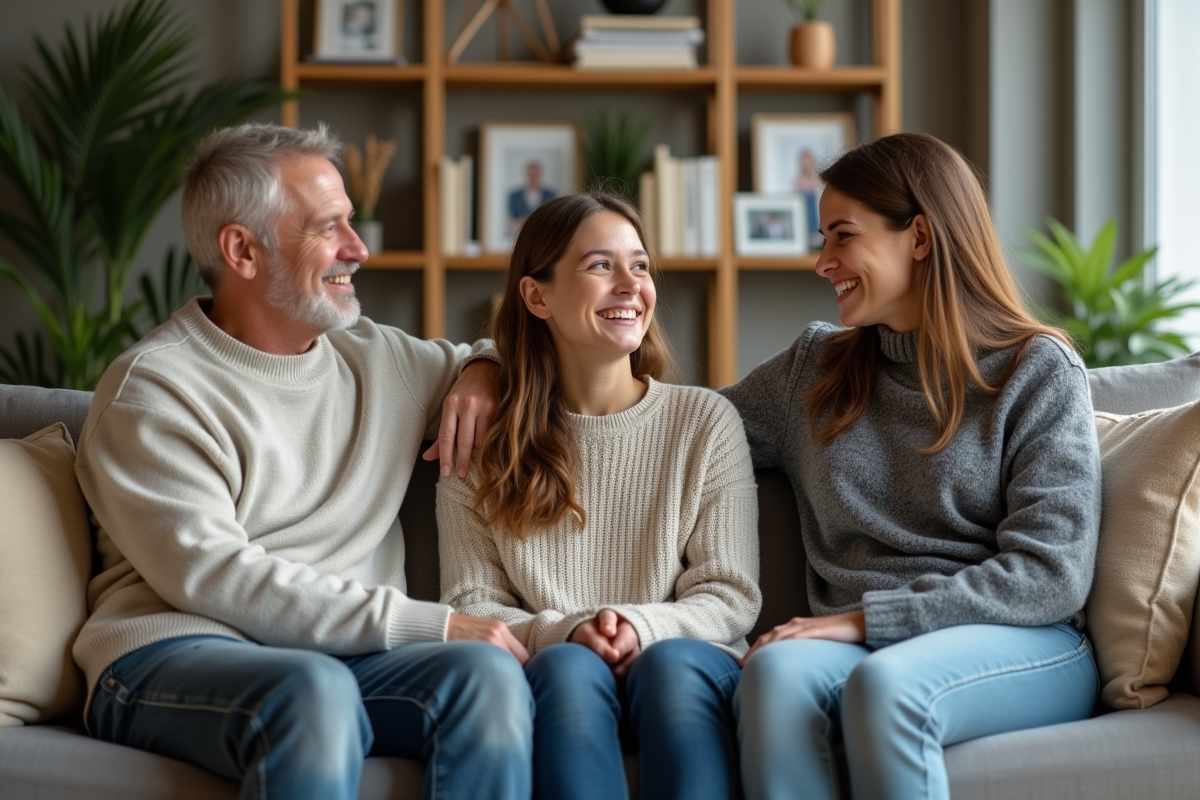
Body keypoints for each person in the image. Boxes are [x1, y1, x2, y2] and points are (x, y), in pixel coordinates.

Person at [72, 123, 533, 800]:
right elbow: (217, 576)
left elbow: (497, 357)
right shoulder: (154, 389)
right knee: (313, 690)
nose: (359, 247)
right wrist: (429, 624)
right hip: (174, 654)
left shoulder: (377, 359)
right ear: (242, 250)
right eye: (328, 227)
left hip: (341, 659)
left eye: (351, 220)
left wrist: (483, 370)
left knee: (486, 677)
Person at [722, 132, 1101, 800]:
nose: (823, 262)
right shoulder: (813, 370)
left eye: (843, 236)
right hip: (861, 644)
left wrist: (865, 621)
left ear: (919, 236)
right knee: (772, 673)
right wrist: (516, 368)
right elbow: (679, 432)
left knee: (885, 686)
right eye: (822, 239)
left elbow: (1052, 575)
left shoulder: (1037, 371)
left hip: (1019, 637)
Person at [437, 192, 761, 800]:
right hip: (555, 666)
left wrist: (637, 626)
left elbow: (730, 594)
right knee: (568, 667)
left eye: (639, 266)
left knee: (669, 665)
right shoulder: (484, 437)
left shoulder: (705, 422)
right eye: (600, 266)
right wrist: (571, 631)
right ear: (536, 297)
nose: (630, 285)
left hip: (684, 660)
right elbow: (471, 602)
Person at [508, 160, 555, 233]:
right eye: (531, 175)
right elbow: (511, 223)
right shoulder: (515, 196)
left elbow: (553, 220)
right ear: (526, 175)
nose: (533, 178)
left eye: (535, 175)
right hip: (521, 234)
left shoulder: (550, 195)